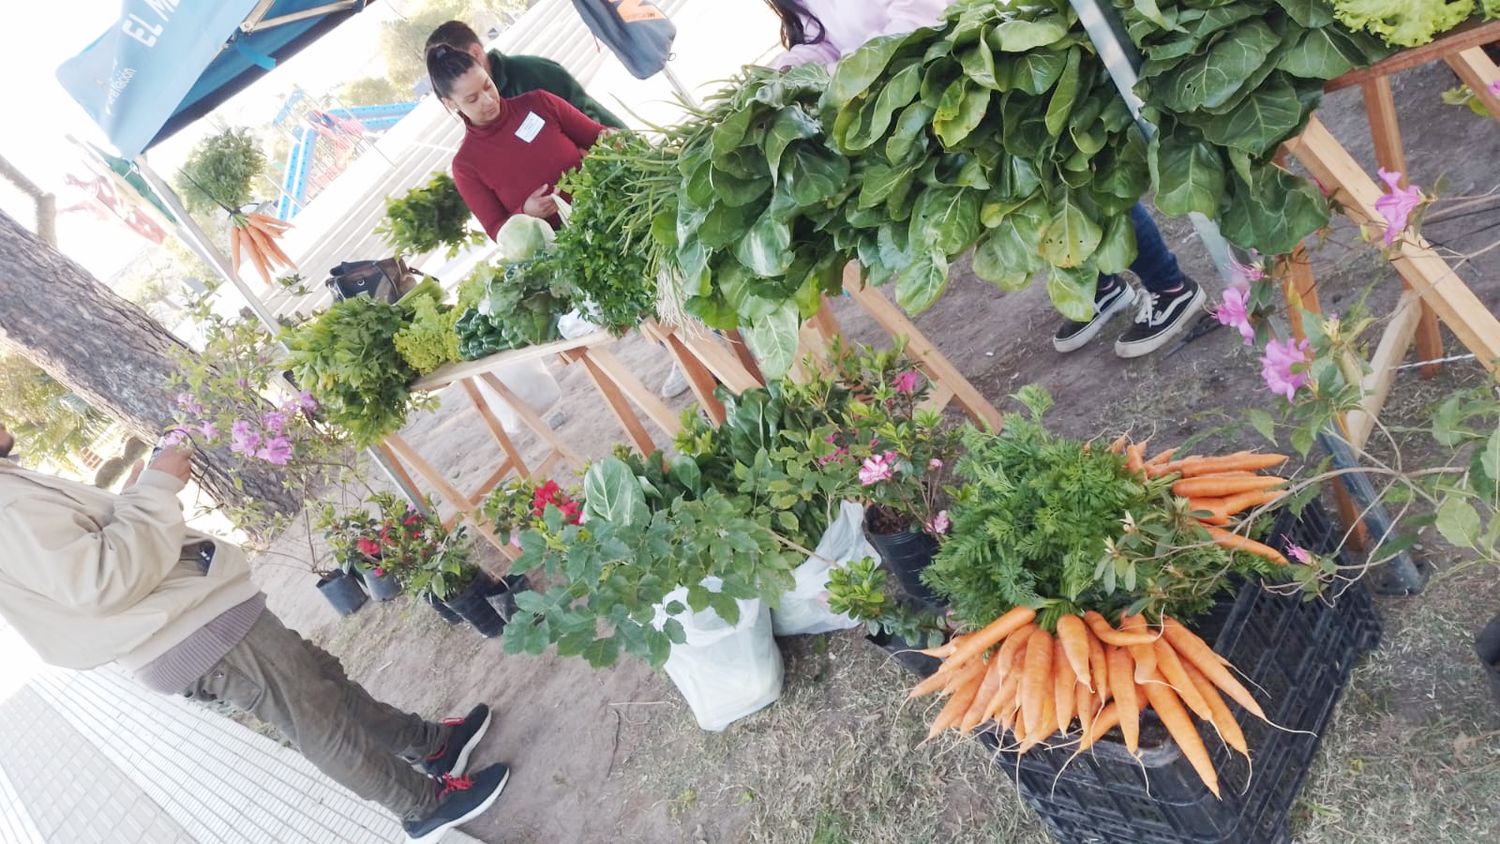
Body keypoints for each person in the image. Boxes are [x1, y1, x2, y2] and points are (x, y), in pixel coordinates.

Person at [0, 423, 507, 844]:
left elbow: (85, 563)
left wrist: (138, 496)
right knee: (317, 722)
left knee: (325, 689)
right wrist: (154, 490)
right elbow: (99, 580)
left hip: (197, 624)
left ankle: (432, 746)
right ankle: (424, 807)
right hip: (194, 633)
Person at [763, 0, 1206, 358]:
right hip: (914, 94)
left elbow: (920, 8)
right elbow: (821, 37)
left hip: (974, 59)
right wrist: (792, 69)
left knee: (1071, 185)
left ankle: (1170, 287)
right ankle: (1099, 289)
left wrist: (866, 66)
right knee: (1017, 197)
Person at [425, 40, 692, 397]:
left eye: (487, 87)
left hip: (620, 216)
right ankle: (694, 366)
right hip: (577, 251)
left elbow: (596, 137)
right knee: (650, 311)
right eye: (471, 99)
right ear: (449, 104)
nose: (487, 101)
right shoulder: (466, 165)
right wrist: (526, 214)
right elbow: (496, 229)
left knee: (679, 292)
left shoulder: (538, 103)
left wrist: (617, 144)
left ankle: (704, 362)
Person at [425, 20, 626, 130]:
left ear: (476, 53)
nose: (486, 101)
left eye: (457, 65)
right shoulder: (477, 118)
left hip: (617, 162)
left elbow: (584, 113)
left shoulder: (531, 73)